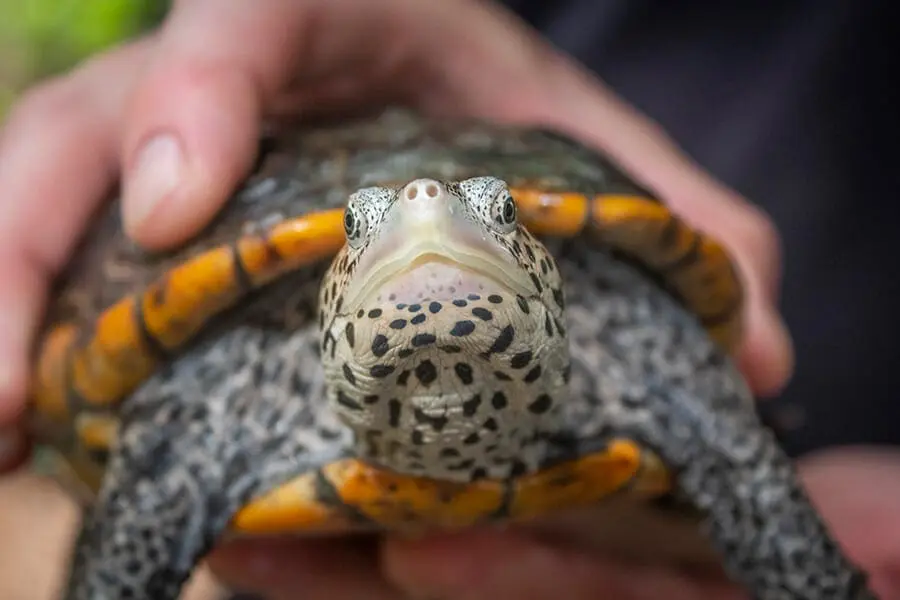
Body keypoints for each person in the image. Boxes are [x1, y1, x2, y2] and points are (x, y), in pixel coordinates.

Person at [0, 1, 896, 598]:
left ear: (545, 273)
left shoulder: (624, 333)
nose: (428, 210)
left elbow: (729, 439)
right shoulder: (228, 386)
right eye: (371, 224)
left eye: (492, 213)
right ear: (332, 292)